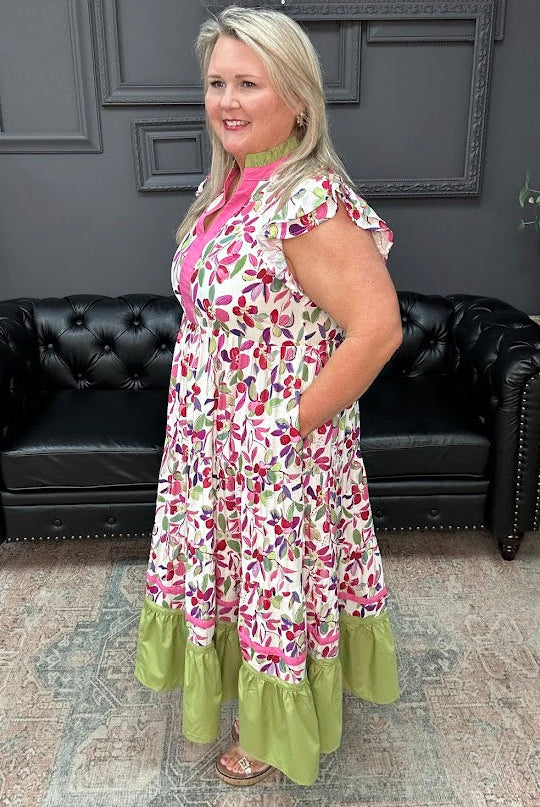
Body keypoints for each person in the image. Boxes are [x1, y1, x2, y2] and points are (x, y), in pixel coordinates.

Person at [134, 4, 402, 787]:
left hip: (271, 452)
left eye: (248, 82)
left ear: (297, 97)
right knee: (231, 578)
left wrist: (285, 424)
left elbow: (378, 329)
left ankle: (270, 729)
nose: (226, 101)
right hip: (210, 443)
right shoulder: (228, 187)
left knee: (271, 581)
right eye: (217, 82)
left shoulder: (306, 202)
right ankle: (239, 693)